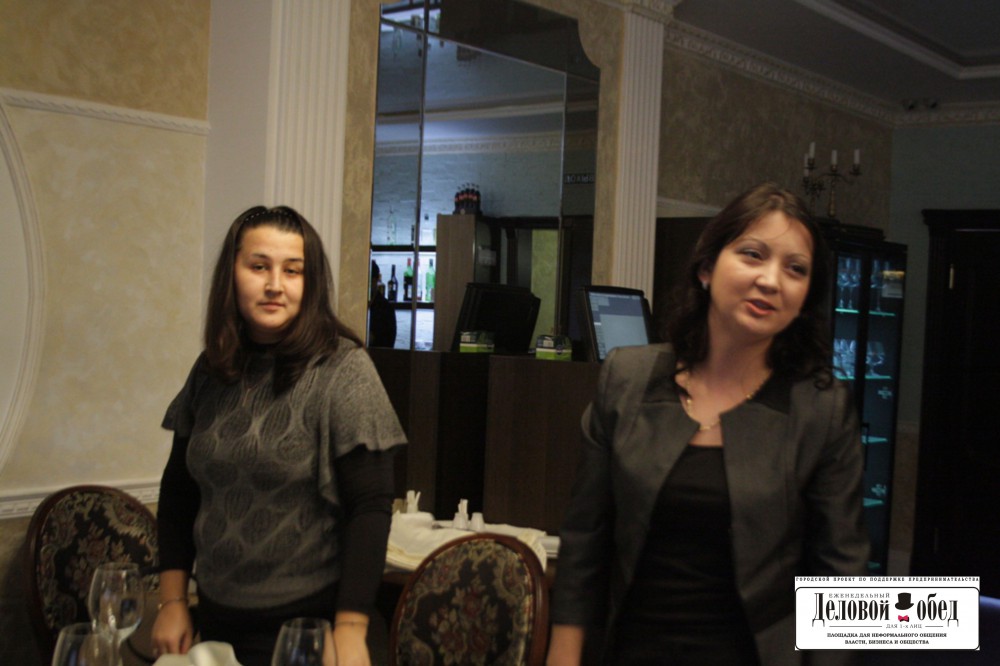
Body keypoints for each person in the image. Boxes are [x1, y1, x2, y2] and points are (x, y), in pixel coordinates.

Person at [547, 183, 869, 666]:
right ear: (706, 268)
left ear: (806, 297)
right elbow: (584, 540)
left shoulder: (821, 408)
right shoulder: (627, 379)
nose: (771, 280)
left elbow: (841, 574)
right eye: (753, 254)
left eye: (795, 269)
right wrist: (563, 655)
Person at [152, 205, 407, 666]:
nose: (275, 284)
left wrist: (351, 629)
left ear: (311, 284)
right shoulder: (210, 369)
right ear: (231, 275)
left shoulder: (343, 369)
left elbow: (370, 508)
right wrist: (171, 601)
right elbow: (178, 495)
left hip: (309, 631)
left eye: (293, 270)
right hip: (213, 622)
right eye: (259, 267)